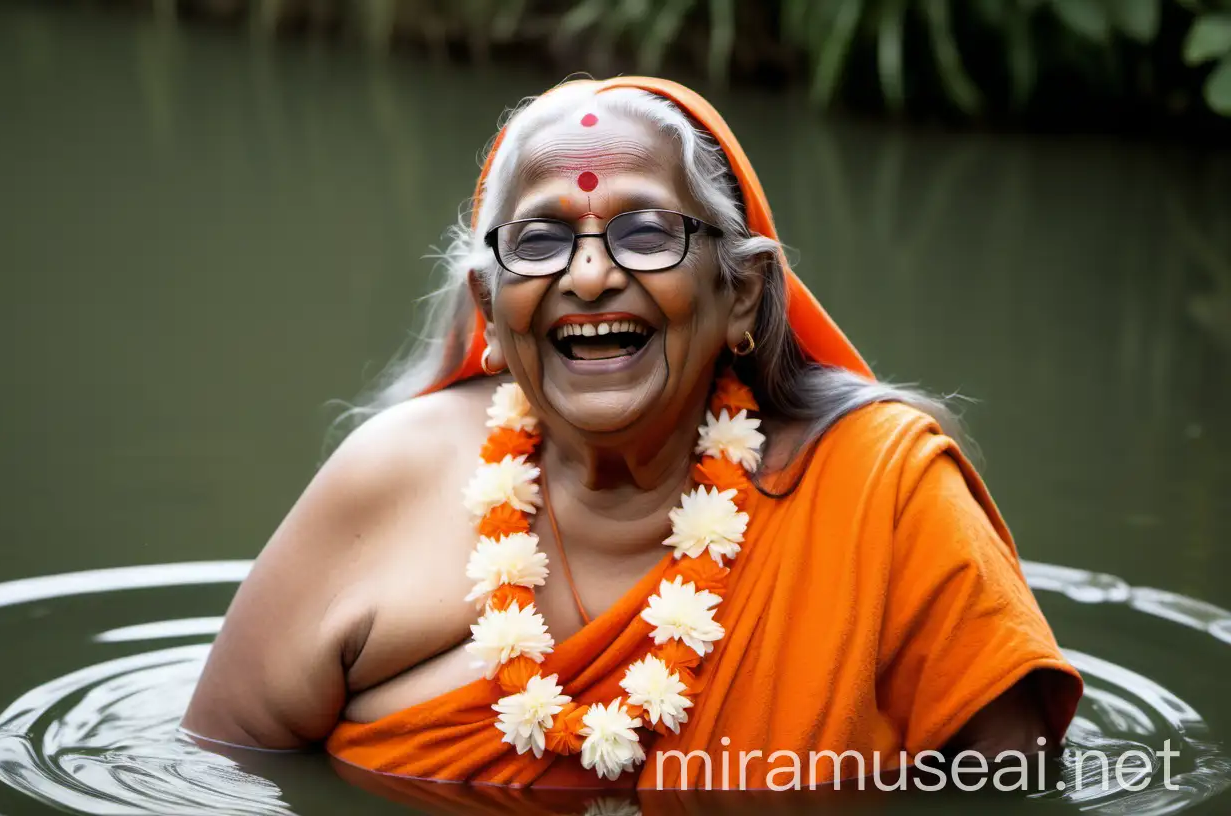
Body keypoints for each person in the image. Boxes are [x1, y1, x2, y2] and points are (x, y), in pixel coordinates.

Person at [182, 76, 1082, 790]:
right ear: (490, 314)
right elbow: (208, 776)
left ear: (741, 295)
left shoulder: (882, 497)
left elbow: (1010, 789)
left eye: (645, 231)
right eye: (539, 240)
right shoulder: (388, 477)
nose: (588, 274)